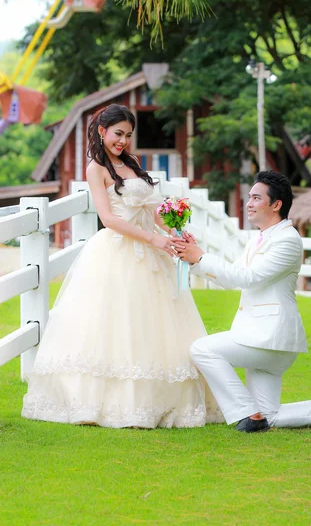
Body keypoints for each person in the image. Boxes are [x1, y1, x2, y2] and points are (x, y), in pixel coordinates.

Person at [22, 103, 222, 429]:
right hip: (117, 251)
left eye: (128, 135)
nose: (123, 141)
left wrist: (173, 231)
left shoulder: (132, 163)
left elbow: (153, 208)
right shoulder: (95, 168)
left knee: (153, 323)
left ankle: (162, 402)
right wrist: (152, 239)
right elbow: (109, 219)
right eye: (118, 134)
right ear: (102, 131)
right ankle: (108, 404)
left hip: (151, 254)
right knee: (116, 324)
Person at [173, 171, 311, 434]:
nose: (249, 203)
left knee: (202, 349)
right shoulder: (260, 238)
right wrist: (194, 258)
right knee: (271, 416)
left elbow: (248, 277)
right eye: (249, 197)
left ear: (276, 204)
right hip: (258, 336)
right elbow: (232, 278)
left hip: (270, 338)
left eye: (256, 198)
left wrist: (201, 257)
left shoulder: (288, 240)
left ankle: (246, 414)